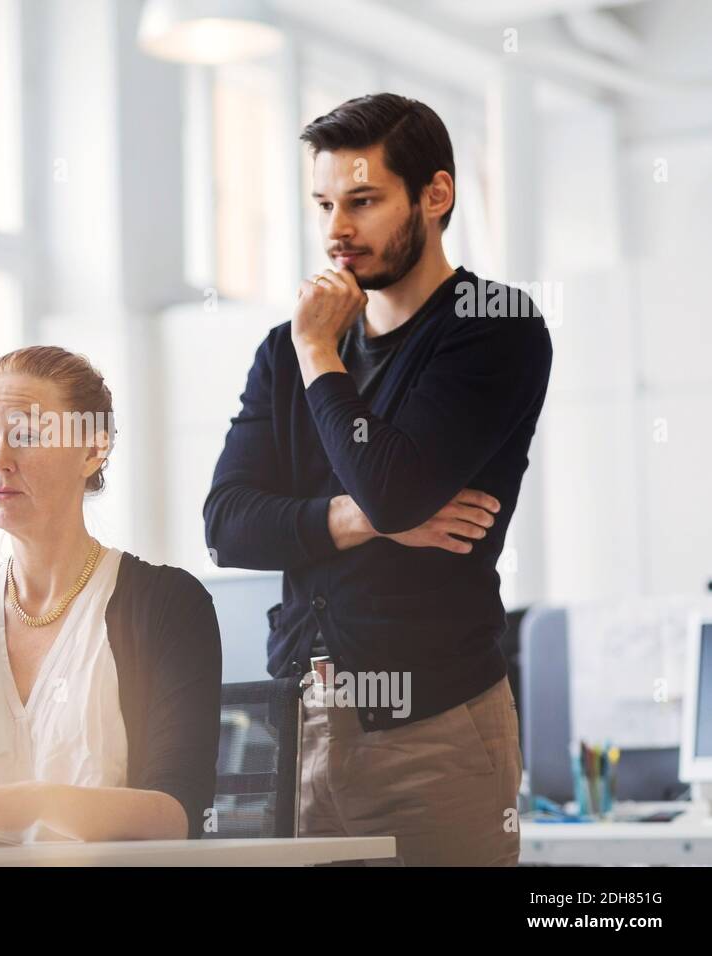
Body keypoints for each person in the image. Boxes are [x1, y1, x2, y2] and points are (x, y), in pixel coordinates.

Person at [204, 93, 552, 865]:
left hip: (435, 728)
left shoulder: (494, 325)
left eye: (362, 201)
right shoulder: (282, 349)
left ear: (435, 195)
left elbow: (393, 486)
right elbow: (226, 522)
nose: (336, 230)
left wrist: (323, 358)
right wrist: (358, 519)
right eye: (325, 203)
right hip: (301, 723)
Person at [0, 345, 222, 841]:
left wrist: (40, 801)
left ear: (92, 451)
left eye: (26, 435)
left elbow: (178, 816)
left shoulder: (167, 603)